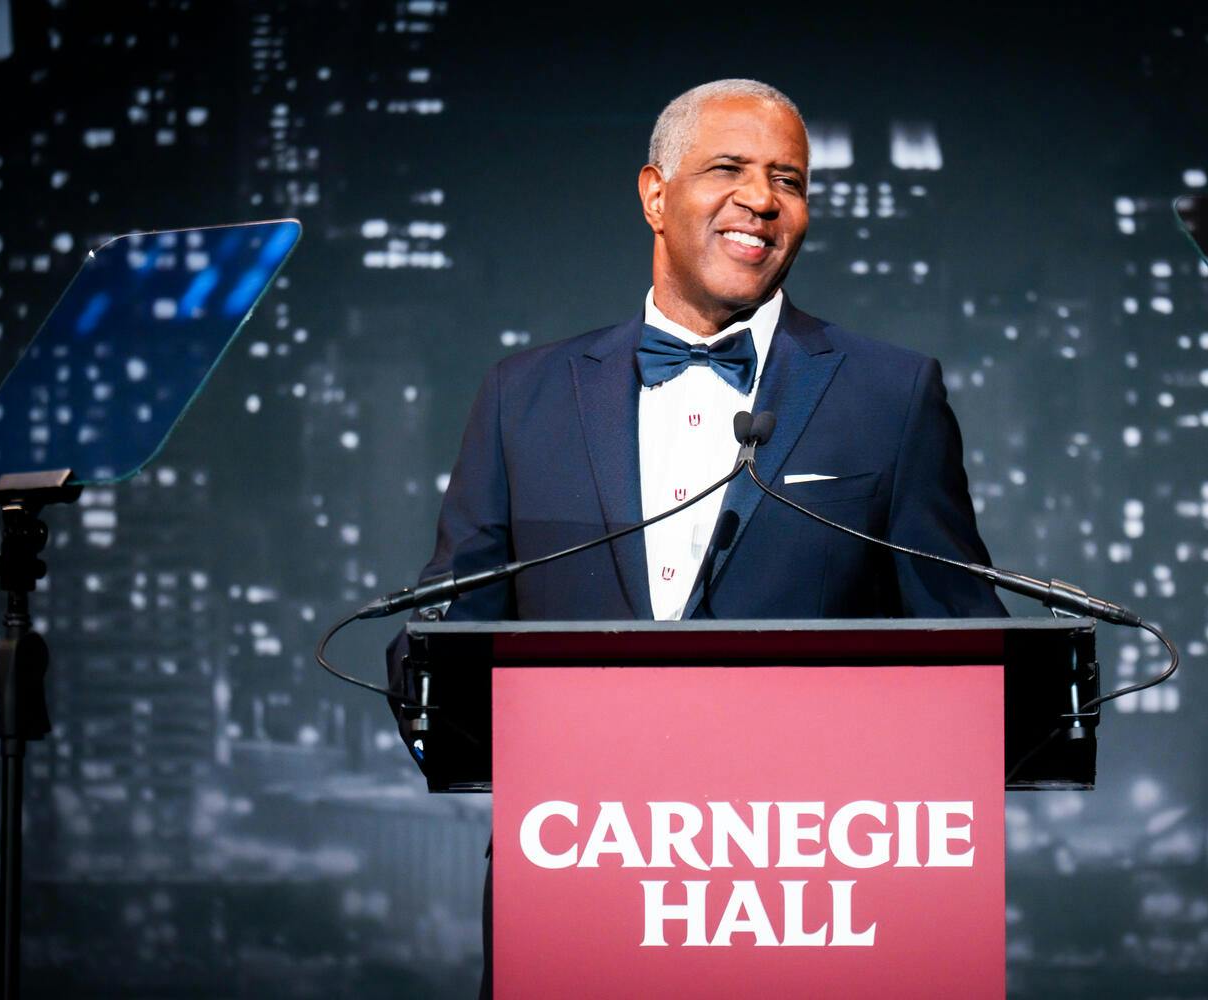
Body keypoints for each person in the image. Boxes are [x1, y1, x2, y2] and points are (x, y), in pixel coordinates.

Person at [387, 78, 1006, 997]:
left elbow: (966, 651)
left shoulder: (891, 394)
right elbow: (451, 630)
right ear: (654, 194)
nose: (760, 199)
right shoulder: (524, 396)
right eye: (729, 168)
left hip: (813, 906)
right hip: (577, 898)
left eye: (788, 180)